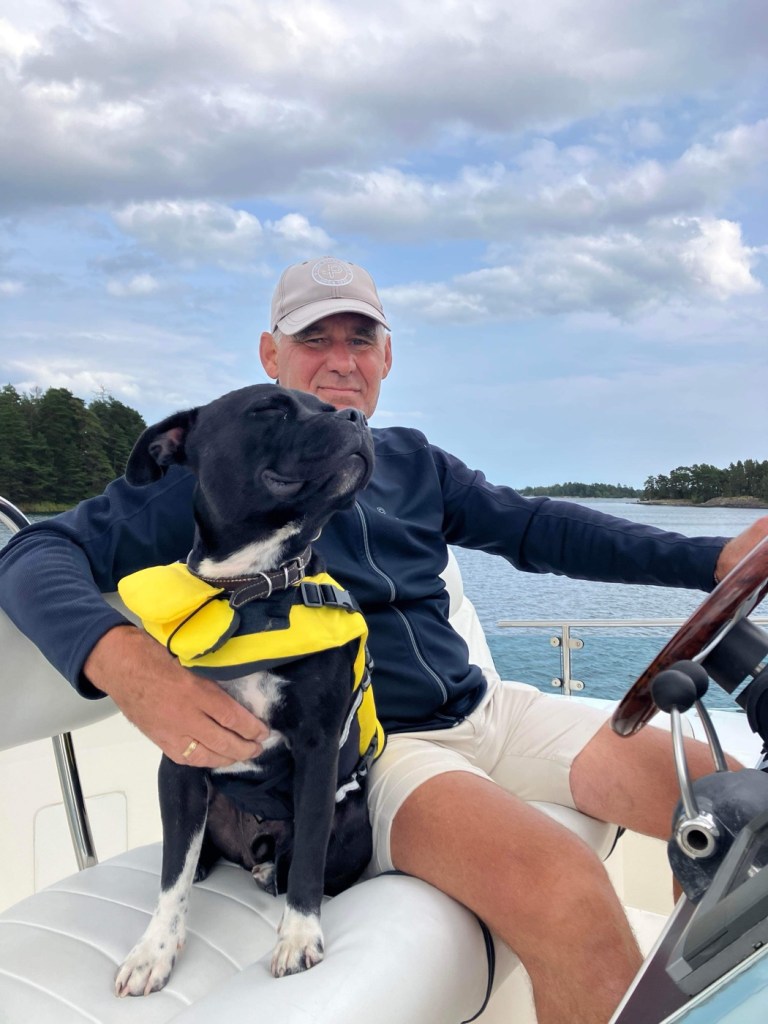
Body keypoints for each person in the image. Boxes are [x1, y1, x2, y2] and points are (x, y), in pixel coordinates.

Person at [0, 255, 766, 1024]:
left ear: (387, 357)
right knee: (564, 890)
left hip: (490, 711)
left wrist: (710, 560)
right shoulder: (218, 470)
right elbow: (34, 553)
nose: (341, 360)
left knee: (738, 812)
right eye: (314, 339)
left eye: (360, 339)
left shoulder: (411, 461)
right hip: (374, 748)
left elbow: (538, 527)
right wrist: (126, 663)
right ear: (271, 354)